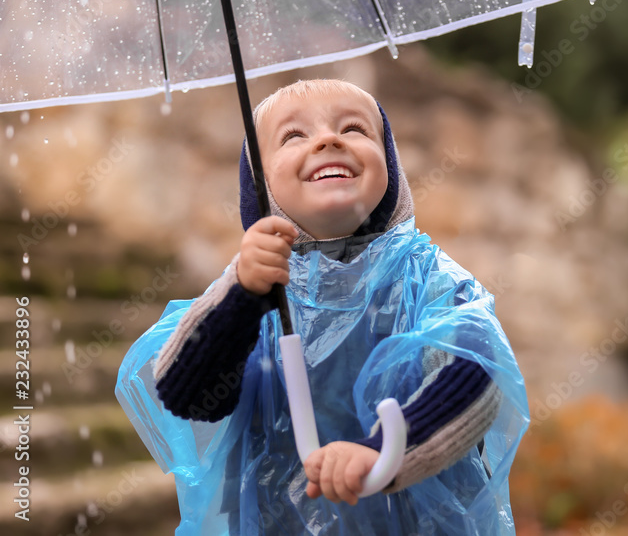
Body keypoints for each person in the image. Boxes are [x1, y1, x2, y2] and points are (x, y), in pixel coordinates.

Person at [115, 79, 529, 535]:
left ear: (390, 165)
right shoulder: (250, 292)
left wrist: (386, 450)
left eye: (354, 129)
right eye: (293, 136)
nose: (328, 140)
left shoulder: (430, 280)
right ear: (259, 186)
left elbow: (475, 376)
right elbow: (185, 392)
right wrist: (240, 294)